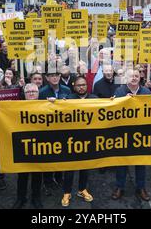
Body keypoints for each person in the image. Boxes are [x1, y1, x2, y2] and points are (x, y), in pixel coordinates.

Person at [111, 69, 151, 202]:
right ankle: (119, 186)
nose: (134, 78)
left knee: (140, 162)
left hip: (141, 134)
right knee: (121, 162)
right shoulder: (119, 91)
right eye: (131, 76)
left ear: (140, 78)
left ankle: (141, 187)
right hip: (123, 133)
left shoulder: (146, 92)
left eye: (136, 76)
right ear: (126, 78)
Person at [61, 76, 96, 207]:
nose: (81, 87)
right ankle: (67, 192)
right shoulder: (68, 99)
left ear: (87, 86)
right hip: (71, 139)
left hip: (88, 139)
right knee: (69, 167)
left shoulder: (94, 99)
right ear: (74, 86)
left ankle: (82, 189)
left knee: (85, 167)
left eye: (84, 85)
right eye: (78, 85)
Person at [38, 71, 71, 195]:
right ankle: (47, 180)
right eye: (52, 75)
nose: (55, 77)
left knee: (61, 154)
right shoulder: (42, 92)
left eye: (57, 75)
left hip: (63, 128)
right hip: (48, 130)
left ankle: (58, 177)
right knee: (49, 155)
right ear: (46, 78)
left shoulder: (67, 90)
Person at [11, 83, 43, 209]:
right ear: (24, 94)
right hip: (22, 146)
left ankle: (36, 198)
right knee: (22, 176)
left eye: (34, 91)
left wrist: (55, 103)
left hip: (39, 146)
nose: (31, 93)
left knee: (37, 175)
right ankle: (21, 198)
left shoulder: (45, 106)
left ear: (38, 93)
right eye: (28, 91)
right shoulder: (16, 107)